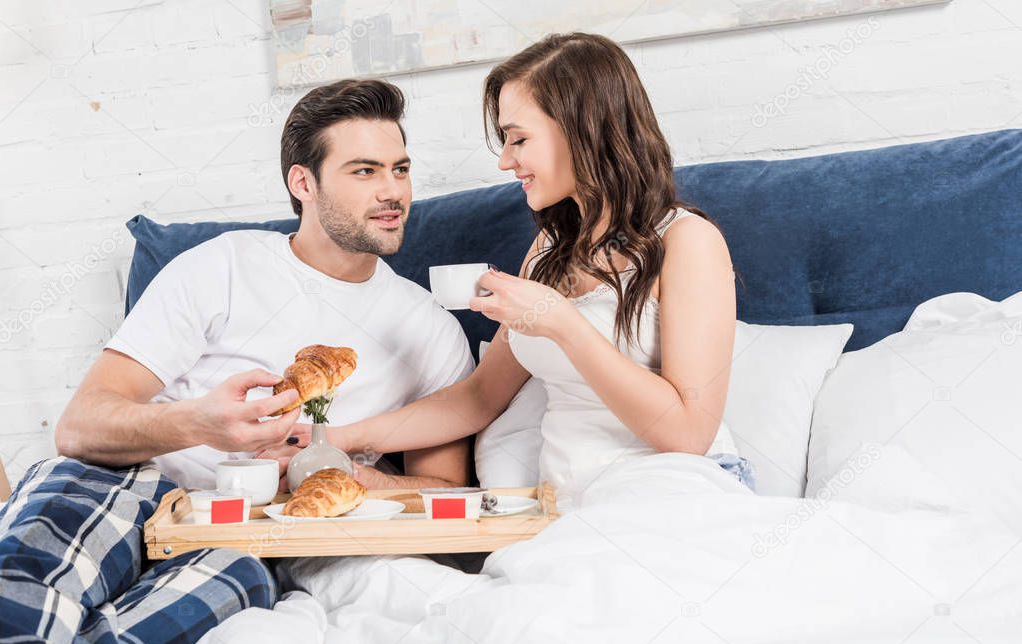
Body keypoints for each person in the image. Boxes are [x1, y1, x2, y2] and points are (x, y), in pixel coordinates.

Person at [0, 79, 474, 644]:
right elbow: (80, 425)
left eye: (400, 169)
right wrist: (199, 423)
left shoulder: (429, 327)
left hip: (244, 541)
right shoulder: (223, 264)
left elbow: (449, 499)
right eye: (364, 171)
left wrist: (352, 475)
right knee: (14, 610)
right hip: (124, 484)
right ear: (304, 183)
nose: (392, 191)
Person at [310, 33, 755, 501]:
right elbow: (478, 399)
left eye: (518, 139)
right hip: (567, 502)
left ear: (584, 129)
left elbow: (688, 435)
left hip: (676, 490)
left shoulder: (687, 241)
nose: (506, 161)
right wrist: (337, 438)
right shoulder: (550, 248)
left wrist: (563, 323)